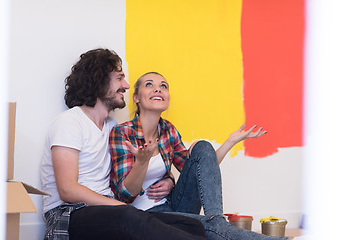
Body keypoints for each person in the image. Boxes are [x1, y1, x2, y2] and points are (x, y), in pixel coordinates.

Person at [40, 49, 206, 240]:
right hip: (70, 214)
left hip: (109, 211)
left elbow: (129, 173)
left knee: (191, 225)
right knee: (129, 216)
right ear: (99, 80)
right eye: (119, 78)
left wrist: (169, 179)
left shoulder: (112, 128)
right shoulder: (70, 122)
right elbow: (67, 190)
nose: (126, 86)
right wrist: (120, 207)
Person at [109, 72, 294, 240]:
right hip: (146, 215)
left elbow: (202, 169)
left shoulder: (167, 130)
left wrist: (229, 142)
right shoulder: (123, 133)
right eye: (149, 84)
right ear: (136, 98)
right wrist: (143, 161)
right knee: (208, 226)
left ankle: (217, 219)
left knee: (203, 147)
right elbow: (126, 194)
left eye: (163, 86)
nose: (158, 88)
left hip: (175, 205)